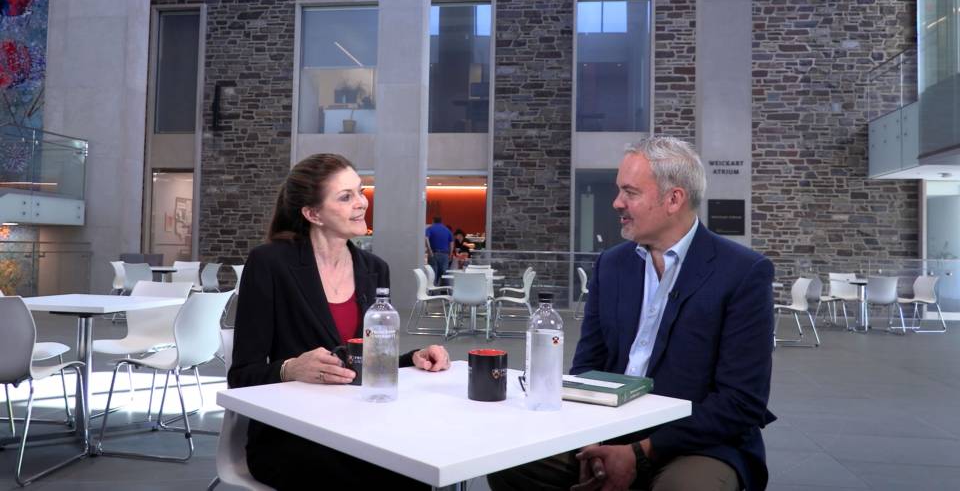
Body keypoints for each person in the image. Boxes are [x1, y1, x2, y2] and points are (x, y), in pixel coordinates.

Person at [488, 137, 775, 491]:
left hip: (700, 441)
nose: (617, 203)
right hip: (611, 426)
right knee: (509, 460)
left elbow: (741, 402)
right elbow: (587, 369)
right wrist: (598, 440)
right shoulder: (612, 264)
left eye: (630, 192)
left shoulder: (743, 272)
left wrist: (640, 453)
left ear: (674, 199)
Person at [230, 153, 451, 490]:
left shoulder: (374, 268)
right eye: (345, 197)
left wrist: (413, 358)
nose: (361, 203)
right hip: (291, 434)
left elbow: (365, 361)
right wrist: (290, 368)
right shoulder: (269, 263)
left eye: (360, 191)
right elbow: (241, 376)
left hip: (359, 424)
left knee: (422, 464)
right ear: (312, 213)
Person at [424, 216, 454, 283]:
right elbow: (451, 243)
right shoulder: (447, 230)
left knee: (433, 274)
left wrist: (429, 250)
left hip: (434, 254)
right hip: (445, 254)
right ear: (441, 221)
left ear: (433, 221)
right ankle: (445, 291)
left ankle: (433, 291)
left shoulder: (430, 228)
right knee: (444, 274)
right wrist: (450, 254)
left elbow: (426, 238)